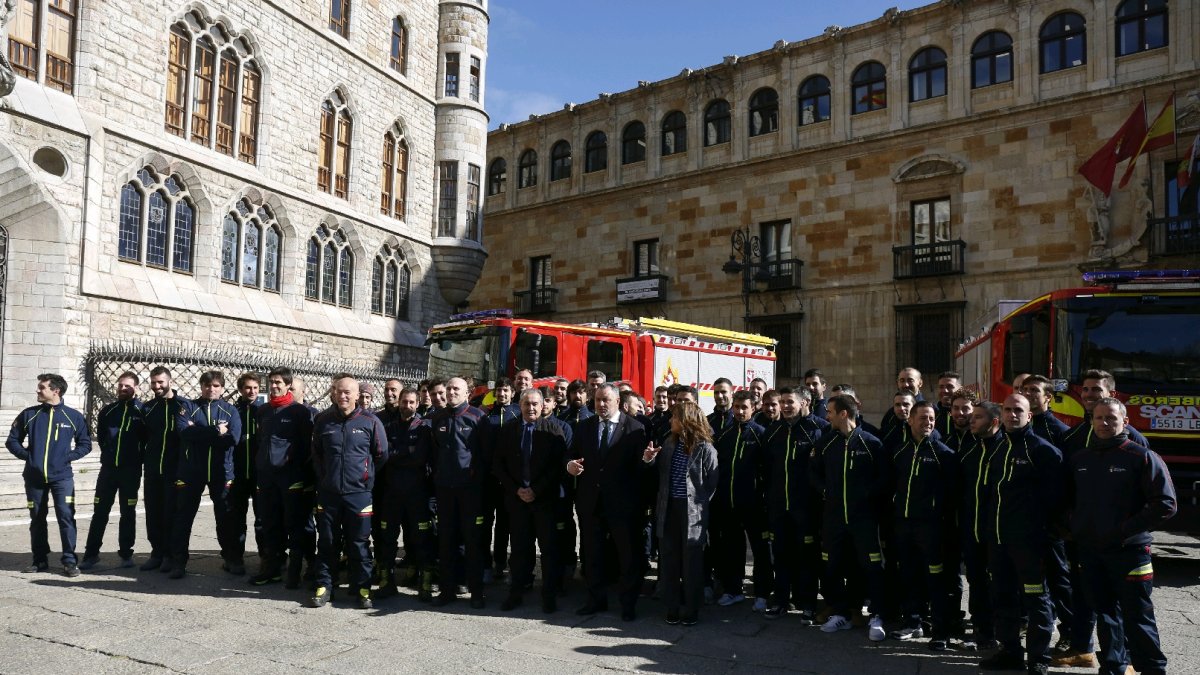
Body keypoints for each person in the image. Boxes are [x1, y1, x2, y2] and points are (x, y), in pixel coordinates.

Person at [1069, 397, 1175, 675]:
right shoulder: (1081, 459)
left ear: (1125, 422)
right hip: (1092, 551)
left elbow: (1166, 504)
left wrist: (1124, 531)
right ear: (1091, 422)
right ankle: (1114, 667)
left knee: (1138, 617)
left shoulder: (1141, 456)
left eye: (1111, 418)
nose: (1104, 423)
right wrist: (1074, 529)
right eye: (1099, 418)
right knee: (1105, 615)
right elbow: (1068, 502)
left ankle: (1153, 669)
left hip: (1130, 552)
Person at [979, 394, 1062, 674]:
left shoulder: (1042, 450)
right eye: (1007, 410)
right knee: (1002, 597)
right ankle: (1010, 650)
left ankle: (1039, 657)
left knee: (1036, 599)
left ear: (1029, 415)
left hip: (1029, 543)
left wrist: (1042, 534)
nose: (1012, 415)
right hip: (999, 540)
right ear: (1000, 415)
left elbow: (1057, 500)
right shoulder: (1000, 448)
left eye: (1019, 410)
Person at [567, 383, 649, 621]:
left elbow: (641, 470)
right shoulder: (584, 427)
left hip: (622, 507)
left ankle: (627, 603)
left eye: (606, 400)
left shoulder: (634, 428)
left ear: (618, 403)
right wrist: (569, 465)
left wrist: (646, 461)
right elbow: (570, 454)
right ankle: (595, 599)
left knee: (626, 556)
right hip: (591, 503)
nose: (601, 405)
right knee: (592, 554)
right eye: (597, 400)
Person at [813, 394, 888, 642]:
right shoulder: (826, 442)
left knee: (871, 567)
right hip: (834, 518)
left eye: (831, 412)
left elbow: (885, 478)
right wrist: (825, 491)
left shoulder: (871, 443)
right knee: (832, 566)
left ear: (844, 414)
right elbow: (812, 473)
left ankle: (877, 615)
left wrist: (867, 495)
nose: (827, 416)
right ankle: (840, 612)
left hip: (863, 520)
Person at [308, 375, 388, 609]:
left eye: (348, 392)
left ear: (356, 395)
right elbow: (317, 454)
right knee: (327, 541)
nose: (343, 396)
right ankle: (325, 585)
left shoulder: (370, 421)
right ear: (333, 393)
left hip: (359, 495)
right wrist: (325, 478)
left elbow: (381, 455)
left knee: (359, 543)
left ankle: (362, 587)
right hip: (329, 494)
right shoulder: (323, 420)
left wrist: (365, 476)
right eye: (339, 392)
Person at [887, 401, 958, 650]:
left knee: (937, 581)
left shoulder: (944, 454)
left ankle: (941, 631)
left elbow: (952, 496)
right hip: (904, 526)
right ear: (910, 421)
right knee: (909, 575)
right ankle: (913, 622)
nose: (927, 423)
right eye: (923, 418)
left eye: (931, 419)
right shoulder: (899, 451)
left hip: (932, 529)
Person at [6, 373, 92, 576]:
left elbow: (86, 444)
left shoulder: (73, 416)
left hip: (62, 478)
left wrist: (67, 457)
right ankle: (39, 560)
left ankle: (70, 561)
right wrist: (29, 457)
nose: (37, 390)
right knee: (37, 518)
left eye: (42, 387)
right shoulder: (29, 414)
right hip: (34, 478)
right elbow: (12, 441)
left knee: (66, 518)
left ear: (56, 391)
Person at [643, 400, 718, 626]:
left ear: (686, 420)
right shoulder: (669, 443)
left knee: (691, 562)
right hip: (668, 509)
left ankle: (692, 609)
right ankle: (672, 607)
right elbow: (659, 474)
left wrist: (698, 506)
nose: (670, 420)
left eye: (674, 417)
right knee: (669, 560)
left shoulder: (705, 448)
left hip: (692, 513)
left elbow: (711, 485)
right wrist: (649, 460)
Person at [495, 388, 566, 613]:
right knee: (519, 550)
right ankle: (516, 593)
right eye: (527, 404)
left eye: (535, 404)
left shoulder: (554, 430)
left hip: (544, 501)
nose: (531, 408)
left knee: (548, 550)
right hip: (517, 501)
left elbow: (558, 467)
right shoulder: (509, 430)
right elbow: (498, 465)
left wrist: (535, 489)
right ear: (521, 405)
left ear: (543, 404)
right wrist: (517, 489)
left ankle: (549, 595)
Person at [168, 370, 241, 579]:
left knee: (226, 517)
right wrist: (216, 431)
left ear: (222, 388)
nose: (211, 389)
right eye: (208, 385)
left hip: (221, 471)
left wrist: (198, 432)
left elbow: (233, 438)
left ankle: (231, 558)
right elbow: (183, 432)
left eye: (216, 385)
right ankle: (178, 562)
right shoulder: (188, 407)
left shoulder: (230, 411)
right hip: (192, 471)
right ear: (201, 386)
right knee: (183, 518)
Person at [252, 367, 316, 589]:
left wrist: (299, 473)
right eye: (272, 382)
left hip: (291, 478)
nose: (275, 386)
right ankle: (272, 569)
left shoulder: (299, 412)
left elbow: (308, 447)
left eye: (279, 382)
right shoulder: (263, 411)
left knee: (294, 525)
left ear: (289, 385)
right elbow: (261, 441)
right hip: (267, 477)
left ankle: (295, 572)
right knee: (269, 524)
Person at [429, 377, 489, 608]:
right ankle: (447, 590)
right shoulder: (438, 418)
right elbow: (434, 453)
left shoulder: (477, 417)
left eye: (456, 389)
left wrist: (476, 483)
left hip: (469, 491)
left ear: (467, 393)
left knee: (472, 542)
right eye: (449, 388)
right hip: (445, 489)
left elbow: (484, 456)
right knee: (446, 541)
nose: (451, 392)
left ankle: (476, 592)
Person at [764, 387, 823, 622]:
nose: (786, 406)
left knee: (807, 558)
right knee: (780, 555)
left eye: (790, 402)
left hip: (805, 508)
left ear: (803, 403)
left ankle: (808, 603)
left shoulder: (817, 430)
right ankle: (780, 600)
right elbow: (767, 468)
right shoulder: (773, 431)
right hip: (779, 507)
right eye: (783, 402)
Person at [710, 390, 772, 610]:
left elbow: (769, 471)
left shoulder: (761, 434)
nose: (739, 411)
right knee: (731, 548)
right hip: (728, 503)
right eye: (736, 407)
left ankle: (762, 594)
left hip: (754, 505)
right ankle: (733, 590)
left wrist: (762, 497)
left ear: (753, 408)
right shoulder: (724, 434)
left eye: (744, 407)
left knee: (760, 551)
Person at [376, 386, 435, 601]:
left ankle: (425, 584)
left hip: (417, 494)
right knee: (387, 539)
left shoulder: (424, 428)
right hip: (391, 494)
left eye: (411, 402)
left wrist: (397, 454)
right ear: (399, 402)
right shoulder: (388, 426)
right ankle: (386, 581)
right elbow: (383, 454)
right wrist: (404, 454)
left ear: (417, 404)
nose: (407, 406)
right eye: (404, 402)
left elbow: (419, 457)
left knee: (421, 539)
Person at [80, 371, 144, 570]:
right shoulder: (108, 411)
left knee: (128, 512)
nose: (123, 389)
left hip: (130, 472)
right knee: (100, 512)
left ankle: (126, 553)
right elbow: (102, 437)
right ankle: (91, 554)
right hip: (108, 471)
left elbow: (147, 439)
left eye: (127, 386)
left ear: (137, 388)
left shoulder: (143, 412)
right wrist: (108, 455)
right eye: (120, 385)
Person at [960, 400, 1002, 650]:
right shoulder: (968, 450)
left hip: (998, 533)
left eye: (977, 417)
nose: (971, 420)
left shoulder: (1004, 450)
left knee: (999, 585)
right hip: (972, 531)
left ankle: (1002, 633)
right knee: (976, 583)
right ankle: (981, 631)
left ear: (994, 422)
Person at [140, 366, 189, 572]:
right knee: (153, 513)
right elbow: (142, 436)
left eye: (160, 382)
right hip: (152, 469)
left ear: (170, 381)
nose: (157, 386)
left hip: (174, 470)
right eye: (153, 383)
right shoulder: (148, 408)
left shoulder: (183, 405)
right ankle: (157, 552)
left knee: (172, 514)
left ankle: (171, 554)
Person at [483, 378, 520, 585]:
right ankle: (490, 563)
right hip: (490, 478)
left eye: (505, 391)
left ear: (512, 393)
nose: (502, 394)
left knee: (506, 524)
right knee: (488, 523)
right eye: (499, 391)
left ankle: (502, 562)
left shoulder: (517, 413)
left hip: (509, 479)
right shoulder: (487, 414)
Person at [229, 373, 261, 581]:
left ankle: (267, 557)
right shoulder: (232, 411)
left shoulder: (264, 411)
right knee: (236, 519)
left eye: (256, 388)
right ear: (240, 389)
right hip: (238, 473)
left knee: (263, 520)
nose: (252, 392)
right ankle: (235, 558)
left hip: (259, 475)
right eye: (248, 388)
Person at [933, 371, 960, 439]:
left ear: (960, 389)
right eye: (941, 387)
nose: (945, 390)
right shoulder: (931, 415)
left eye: (950, 386)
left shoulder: (967, 415)